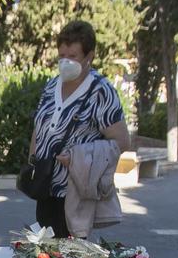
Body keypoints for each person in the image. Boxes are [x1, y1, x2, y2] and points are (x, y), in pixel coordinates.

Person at [29, 20, 132, 238]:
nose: (65, 62)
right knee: (43, 254)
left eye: (72, 56)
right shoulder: (51, 86)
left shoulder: (101, 92)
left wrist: (78, 156)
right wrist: (33, 161)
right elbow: (39, 126)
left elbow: (121, 142)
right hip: (46, 187)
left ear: (89, 57)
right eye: (61, 56)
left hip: (75, 192)